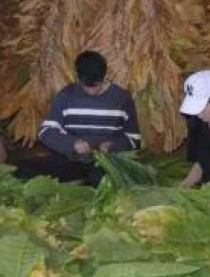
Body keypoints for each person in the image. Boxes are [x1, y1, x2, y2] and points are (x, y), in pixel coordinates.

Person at [16, 50, 141, 185]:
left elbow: (134, 139)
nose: (92, 91)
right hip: (72, 159)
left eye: (96, 85)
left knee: (100, 180)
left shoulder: (122, 98)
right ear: (79, 78)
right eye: (87, 86)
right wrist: (72, 144)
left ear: (105, 76)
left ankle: (86, 186)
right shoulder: (66, 96)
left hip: (106, 163)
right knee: (21, 169)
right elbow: (46, 132)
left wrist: (113, 146)